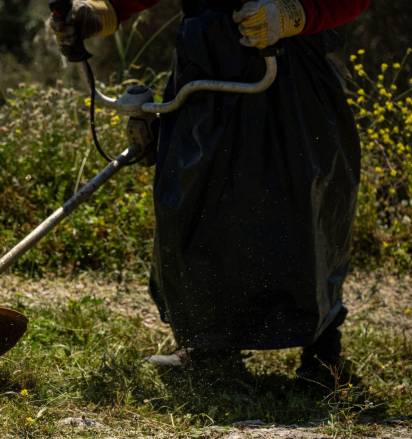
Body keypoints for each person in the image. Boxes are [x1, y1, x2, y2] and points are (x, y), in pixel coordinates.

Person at [50, 0, 371, 380]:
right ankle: (208, 347)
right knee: (195, 206)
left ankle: (322, 357)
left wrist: (297, 14)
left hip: (292, 69)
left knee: (300, 209)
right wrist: (104, 10)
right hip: (205, 67)